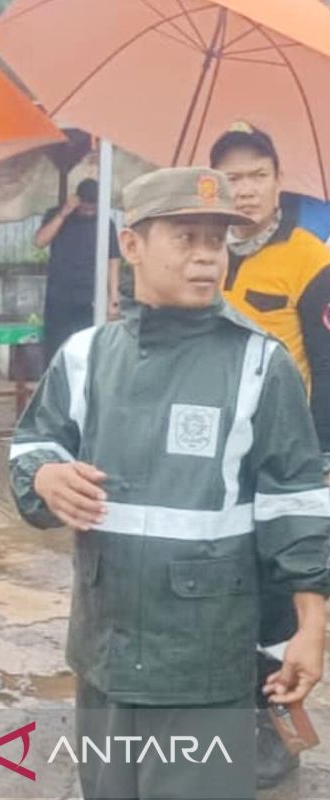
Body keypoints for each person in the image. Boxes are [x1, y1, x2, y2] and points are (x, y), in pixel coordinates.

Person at [10, 166, 330, 799]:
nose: (208, 256)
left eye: (218, 240)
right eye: (186, 237)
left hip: (205, 665)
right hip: (103, 654)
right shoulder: (86, 356)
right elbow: (32, 444)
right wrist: (44, 476)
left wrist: (311, 627)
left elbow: (295, 502)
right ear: (132, 246)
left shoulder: (260, 364)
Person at [208, 123, 330, 789]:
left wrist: (319, 460)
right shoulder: (205, 250)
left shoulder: (309, 257)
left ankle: (281, 734)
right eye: (233, 178)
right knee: (223, 596)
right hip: (209, 464)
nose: (246, 190)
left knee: (278, 605)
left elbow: (328, 364)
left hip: (282, 464)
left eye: (257, 175)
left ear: (278, 180)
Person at [35, 178, 123, 360]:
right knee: (55, 348)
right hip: (59, 295)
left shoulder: (106, 223)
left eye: (93, 207)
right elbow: (39, 242)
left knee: (89, 348)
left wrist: (113, 297)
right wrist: (63, 214)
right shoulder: (57, 214)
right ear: (77, 200)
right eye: (85, 206)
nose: (89, 211)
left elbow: (113, 260)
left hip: (91, 296)